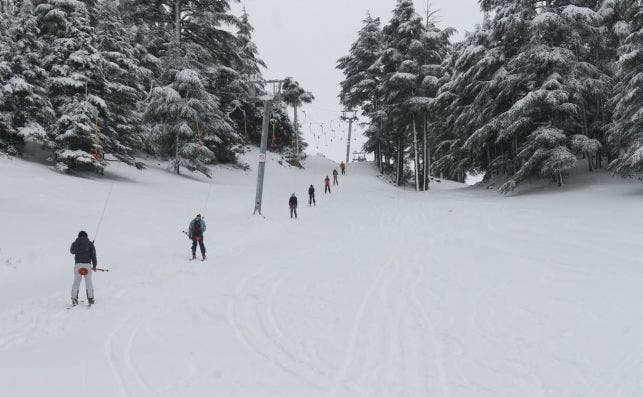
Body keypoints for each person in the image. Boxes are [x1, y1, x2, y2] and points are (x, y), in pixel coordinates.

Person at [70, 231, 97, 305]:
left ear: (79, 236)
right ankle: (90, 299)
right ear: (86, 236)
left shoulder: (75, 243)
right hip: (87, 265)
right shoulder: (90, 244)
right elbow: (93, 256)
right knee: (89, 282)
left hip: (78, 265)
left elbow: (72, 251)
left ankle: (74, 299)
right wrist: (94, 266)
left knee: (76, 282)